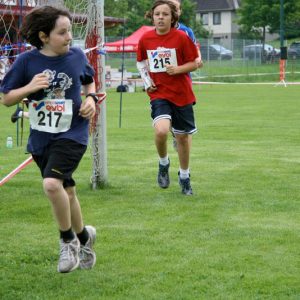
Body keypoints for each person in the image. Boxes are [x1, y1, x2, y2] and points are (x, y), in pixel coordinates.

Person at [0, 6, 98, 273]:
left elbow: (90, 81)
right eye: (62, 32)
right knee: (66, 191)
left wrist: (91, 98)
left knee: (52, 184)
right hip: (42, 138)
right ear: (44, 36)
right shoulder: (26, 62)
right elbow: (7, 98)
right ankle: (85, 237)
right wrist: (30, 87)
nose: (69, 37)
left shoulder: (77, 56)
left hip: (73, 133)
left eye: (70, 31)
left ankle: (68, 241)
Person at [137, 0, 199, 195]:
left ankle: (184, 176)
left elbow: (195, 63)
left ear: (173, 18)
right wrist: (148, 82)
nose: (161, 17)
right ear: (152, 17)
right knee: (162, 131)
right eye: (157, 14)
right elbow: (140, 63)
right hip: (160, 93)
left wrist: (178, 69)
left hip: (182, 94)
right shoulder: (145, 39)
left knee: (182, 137)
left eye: (165, 14)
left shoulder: (181, 37)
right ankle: (163, 163)